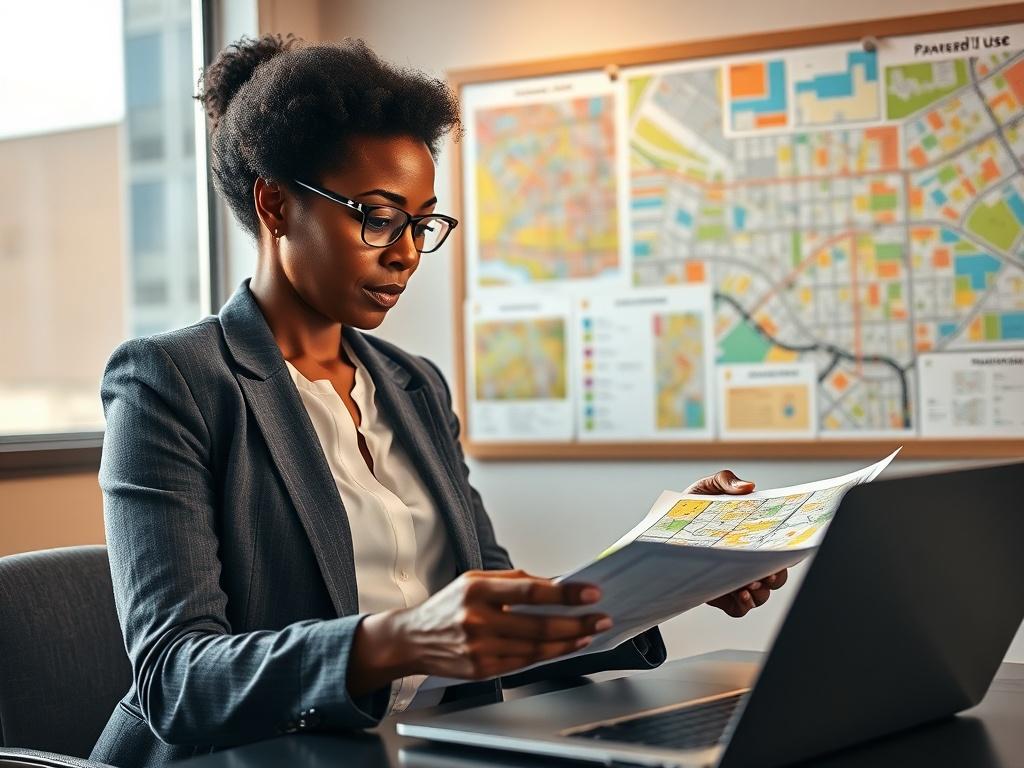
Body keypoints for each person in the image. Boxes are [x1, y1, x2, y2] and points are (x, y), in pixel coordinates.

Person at [90, 33, 787, 768]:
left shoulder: (414, 385)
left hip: (432, 752)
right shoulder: (170, 381)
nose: (406, 253)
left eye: (421, 223)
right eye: (379, 217)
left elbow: (494, 619)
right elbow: (176, 678)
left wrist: (673, 564)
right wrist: (404, 636)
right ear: (275, 205)